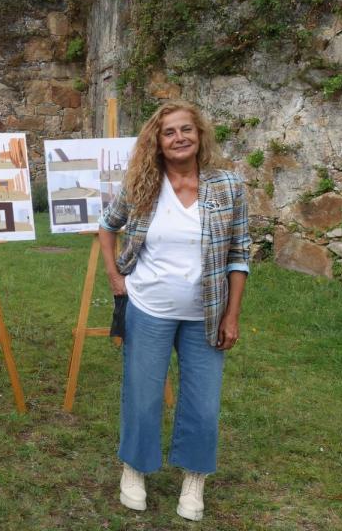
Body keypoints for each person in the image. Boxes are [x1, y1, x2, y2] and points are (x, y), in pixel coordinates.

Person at [98, 100, 249, 521]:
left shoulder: (228, 186)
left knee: (203, 402)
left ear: (199, 136)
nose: (179, 138)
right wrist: (116, 280)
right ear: (158, 142)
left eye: (186, 129)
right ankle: (134, 469)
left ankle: (194, 479)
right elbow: (107, 227)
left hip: (207, 313)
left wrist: (232, 316)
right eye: (169, 132)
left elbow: (239, 254)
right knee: (143, 395)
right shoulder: (143, 184)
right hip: (148, 307)